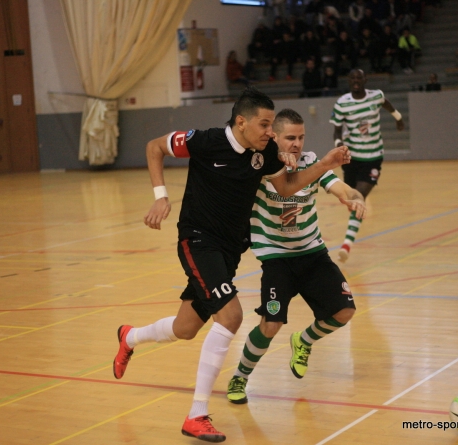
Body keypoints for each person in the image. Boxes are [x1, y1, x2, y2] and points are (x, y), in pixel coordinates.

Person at [112, 87, 352, 443]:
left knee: (187, 326)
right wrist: (161, 198)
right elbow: (154, 147)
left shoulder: (265, 153)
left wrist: (325, 165)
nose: (271, 132)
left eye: (273, 126)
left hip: (230, 249)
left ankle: (129, 337)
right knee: (231, 317)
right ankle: (197, 414)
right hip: (197, 239)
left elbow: (286, 189)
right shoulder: (205, 141)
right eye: (265, 124)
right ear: (241, 122)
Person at [224, 113, 367, 404]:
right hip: (277, 258)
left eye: (301, 137)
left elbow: (340, 187)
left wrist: (354, 197)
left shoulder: (311, 162)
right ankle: (240, 375)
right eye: (291, 138)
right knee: (271, 323)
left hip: (312, 253)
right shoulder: (259, 165)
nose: (297, 144)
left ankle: (304, 340)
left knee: (344, 312)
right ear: (274, 137)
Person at [331, 69, 404, 261]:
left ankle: (347, 244)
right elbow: (337, 131)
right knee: (351, 198)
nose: (356, 81)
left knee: (359, 197)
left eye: (359, 78)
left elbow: (387, 104)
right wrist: (339, 146)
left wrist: (398, 118)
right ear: (348, 81)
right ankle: (354, 206)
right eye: (352, 78)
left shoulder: (376, 96)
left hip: (373, 157)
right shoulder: (342, 103)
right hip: (352, 158)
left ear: (365, 80)